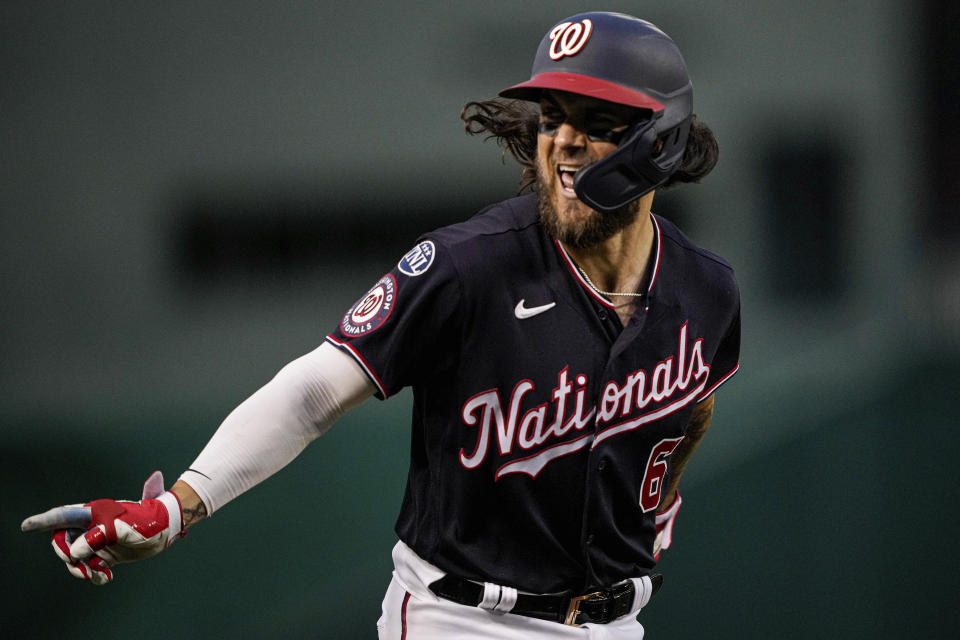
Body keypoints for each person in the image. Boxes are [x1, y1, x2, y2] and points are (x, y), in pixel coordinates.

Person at [22, 11, 740, 639]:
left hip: (617, 623)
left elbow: (694, 404)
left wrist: (661, 495)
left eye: (598, 124)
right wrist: (178, 508)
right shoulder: (469, 266)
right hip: (464, 620)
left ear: (661, 143)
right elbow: (313, 392)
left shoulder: (706, 290)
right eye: (552, 116)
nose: (565, 141)